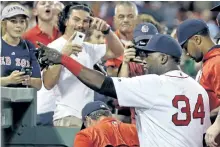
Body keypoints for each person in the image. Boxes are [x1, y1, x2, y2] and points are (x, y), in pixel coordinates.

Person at [38, 34, 211, 147]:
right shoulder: (197, 88)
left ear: (164, 58)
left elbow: (102, 84)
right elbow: (206, 137)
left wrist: (63, 59)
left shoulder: (154, 83)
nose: (144, 62)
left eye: (148, 56)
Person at [42, 2, 124, 127]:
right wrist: (63, 55)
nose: (81, 25)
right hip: (67, 116)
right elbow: (48, 83)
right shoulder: (54, 47)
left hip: (89, 117)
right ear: (66, 21)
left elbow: (118, 52)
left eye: (86, 21)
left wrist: (107, 30)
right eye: (76, 19)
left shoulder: (88, 48)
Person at [23, 1, 61, 126]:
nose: (47, 5)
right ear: (35, 11)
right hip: (41, 97)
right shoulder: (27, 37)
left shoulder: (63, 35)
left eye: (50, 3)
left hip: (64, 96)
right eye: (43, 3)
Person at [176, 19, 220, 116]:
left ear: (197, 39)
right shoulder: (210, 61)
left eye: (186, 47)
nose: (187, 53)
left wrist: (208, 117)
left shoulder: (216, 62)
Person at [1, 3, 41, 90]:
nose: (18, 25)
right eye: (13, 21)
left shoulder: (29, 46)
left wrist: (29, 80)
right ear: (4, 24)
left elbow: (39, 84)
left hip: (22, 101)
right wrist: (9, 80)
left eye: (22, 21)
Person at [74, 101, 139, 147]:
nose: (86, 127)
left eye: (85, 125)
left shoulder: (86, 134)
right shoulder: (135, 129)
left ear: (88, 120)